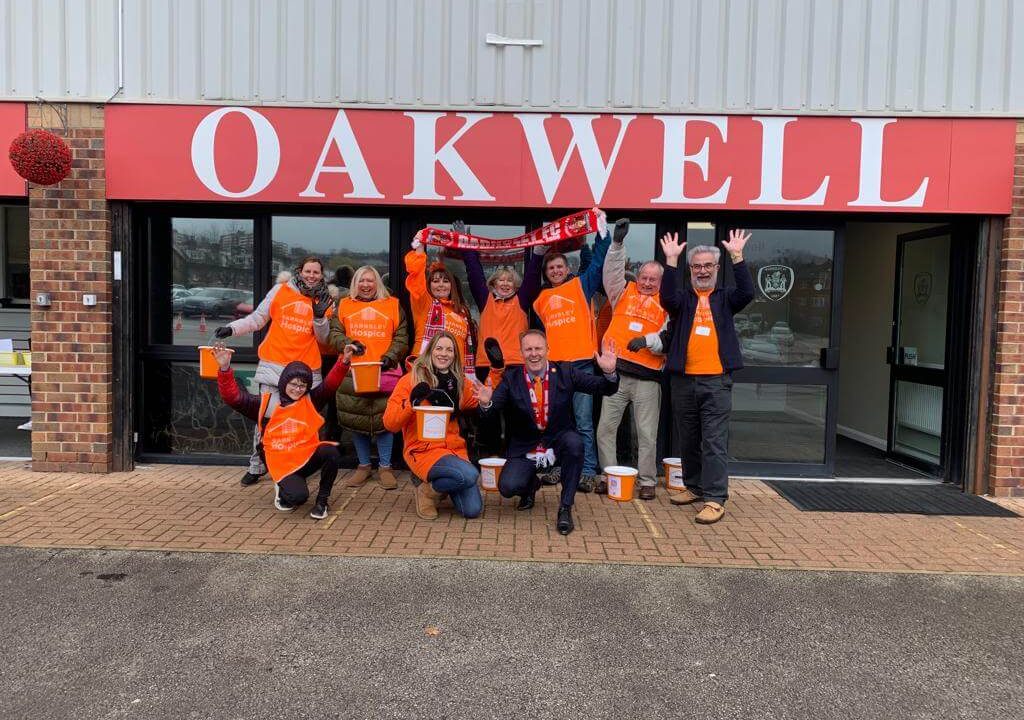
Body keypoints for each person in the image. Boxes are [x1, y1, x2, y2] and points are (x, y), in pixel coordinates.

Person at [475, 329, 620, 536]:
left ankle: (565, 507)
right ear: (522, 352)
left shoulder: (566, 372)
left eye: (538, 348)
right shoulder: (511, 378)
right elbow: (489, 413)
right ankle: (530, 486)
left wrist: (609, 373)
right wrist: (485, 403)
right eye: (528, 349)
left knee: (575, 443)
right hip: (527, 446)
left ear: (547, 350)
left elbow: (605, 389)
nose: (534, 353)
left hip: (557, 442)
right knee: (507, 487)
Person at [658, 230, 754, 524]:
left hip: (716, 381)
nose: (702, 271)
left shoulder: (726, 298)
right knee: (688, 439)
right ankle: (695, 487)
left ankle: (715, 499)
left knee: (713, 441)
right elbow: (666, 298)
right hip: (684, 381)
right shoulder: (683, 299)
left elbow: (747, 293)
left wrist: (737, 256)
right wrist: (671, 260)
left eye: (708, 265)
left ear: (716, 268)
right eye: (697, 266)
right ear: (691, 270)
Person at [214, 257, 334, 486]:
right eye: (308, 271)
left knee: (304, 423)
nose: (311, 275)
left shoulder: (325, 299)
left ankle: (300, 466)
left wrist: (320, 316)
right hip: (274, 366)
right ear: (300, 271)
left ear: (321, 275)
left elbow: (323, 339)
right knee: (266, 420)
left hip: (306, 373)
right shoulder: (280, 291)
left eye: (316, 272)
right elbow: (258, 319)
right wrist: (232, 328)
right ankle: (257, 466)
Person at [532, 211, 626, 492]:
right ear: (546, 273)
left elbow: (598, 262)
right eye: (551, 269)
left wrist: (602, 231)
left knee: (584, 421)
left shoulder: (580, 285)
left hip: (582, 366)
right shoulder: (539, 300)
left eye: (560, 267)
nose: (556, 271)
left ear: (567, 267)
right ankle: (556, 467)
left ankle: (587, 471)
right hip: (554, 369)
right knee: (555, 422)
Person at [214, 342, 356, 519]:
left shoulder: (310, 400)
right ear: (284, 382)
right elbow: (233, 398)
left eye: (303, 385)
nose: (298, 389)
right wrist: (225, 369)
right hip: (280, 462)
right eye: (294, 384)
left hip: (304, 457)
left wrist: (344, 361)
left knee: (330, 451)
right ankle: (283, 486)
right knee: (298, 497)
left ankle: (322, 501)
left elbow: (329, 385)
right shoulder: (266, 404)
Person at [596, 229, 669, 500]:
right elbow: (612, 272)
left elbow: (669, 336)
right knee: (605, 429)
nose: (647, 283)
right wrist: (617, 244)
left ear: (661, 282)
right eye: (644, 277)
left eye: (653, 279)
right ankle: (608, 475)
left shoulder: (667, 303)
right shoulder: (622, 292)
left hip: (648, 378)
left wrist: (650, 341)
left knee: (646, 434)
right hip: (615, 374)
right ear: (637, 277)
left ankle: (647, 480)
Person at [383, 332, 483, 521]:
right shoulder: (410, 380)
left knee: (472, 510)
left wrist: (496, 372)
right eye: (439, 348)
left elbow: (482, 397)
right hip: (423, 450)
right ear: (430, 351)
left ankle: (440, 482)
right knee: (469, 475)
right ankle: (427, 492)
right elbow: (390, 423)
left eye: (449, 350)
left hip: (455, 451)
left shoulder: (459, 382)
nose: (443, 354)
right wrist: (411, 403)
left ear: (455, 355)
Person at [328, 265, 409, 490]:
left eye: (370, 281)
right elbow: (334, 333)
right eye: (361, 280)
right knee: (357, 420)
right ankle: (363, 466)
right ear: (355, 283)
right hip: (352, 372)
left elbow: (402, 337)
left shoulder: (392, 305)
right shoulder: (344, 305)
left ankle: (385, 467)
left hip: (385, 371)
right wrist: (348, 345)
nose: (366, 285)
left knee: (385, 421)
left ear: (378, 284)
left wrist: (390, 357)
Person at [458, 222, 544, 386]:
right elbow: (474, 273)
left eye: (509, 280)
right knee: (489, 408)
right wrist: (465, 244)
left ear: (515, 284)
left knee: (516, 410)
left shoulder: (521, 300)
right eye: (501, 280)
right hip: (486, 364)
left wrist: (538, 254)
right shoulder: (486, 300)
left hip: (516, 364)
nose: (505, 284)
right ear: (494, 283)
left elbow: (532, 278)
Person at [405, 234, 477, 376]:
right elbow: (417, 274)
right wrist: (419, 247)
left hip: (455, 375)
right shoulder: (424, 303)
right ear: (429, 285)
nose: (441, 285)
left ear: (452, 285)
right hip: (425, 372)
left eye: (445, 281)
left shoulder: (462, 312)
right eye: (436, 281)